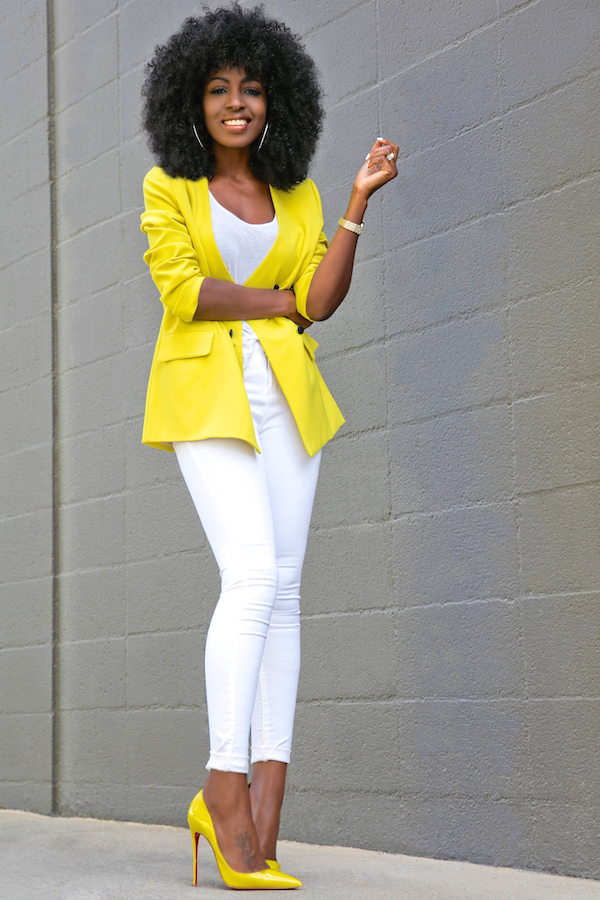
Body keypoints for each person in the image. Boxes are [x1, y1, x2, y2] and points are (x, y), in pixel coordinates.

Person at [140, 3, 397, 890]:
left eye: (251, 88)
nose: (236, 101)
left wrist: (356, 203)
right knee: (250, 577)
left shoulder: (301, 196)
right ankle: (222, 788)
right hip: (208, 400)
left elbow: (320, 299)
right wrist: (280, 300)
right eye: (218, 89)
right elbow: (188, 293)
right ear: (192, 103)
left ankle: (269, 814)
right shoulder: (167, 188)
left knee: (284, 594)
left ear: (274, 100)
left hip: (290, 405)